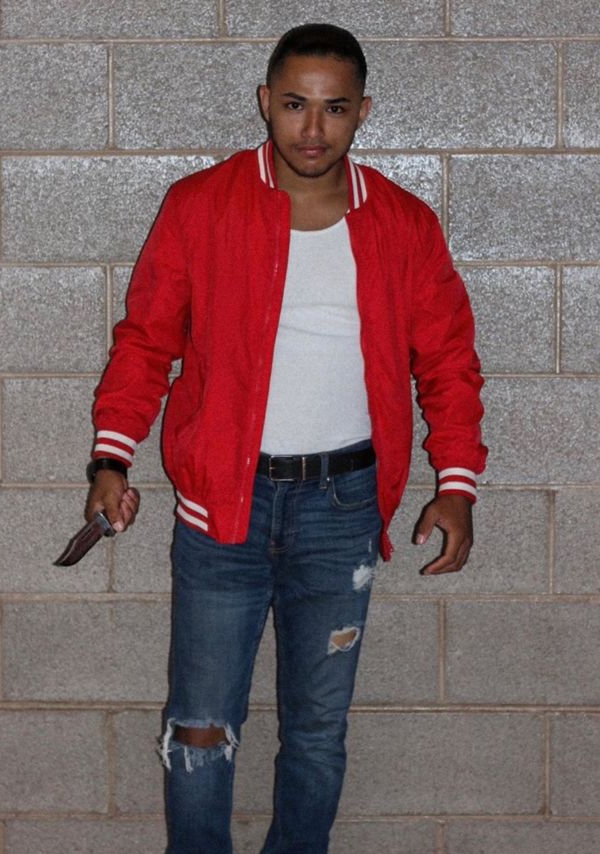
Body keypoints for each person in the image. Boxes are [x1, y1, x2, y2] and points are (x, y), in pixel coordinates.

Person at [84, 23, 487, 853]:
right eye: (296, 104)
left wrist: (456, 485)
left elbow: (449, 362)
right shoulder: (201, 206)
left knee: (316, 732)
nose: (313, 128)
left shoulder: (403, 224)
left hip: (343, 512)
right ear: (265, 102)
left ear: (362, 112)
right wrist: (110, 457)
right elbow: (147, 342)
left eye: (334, 108)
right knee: (199, 727)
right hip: (221, 512)